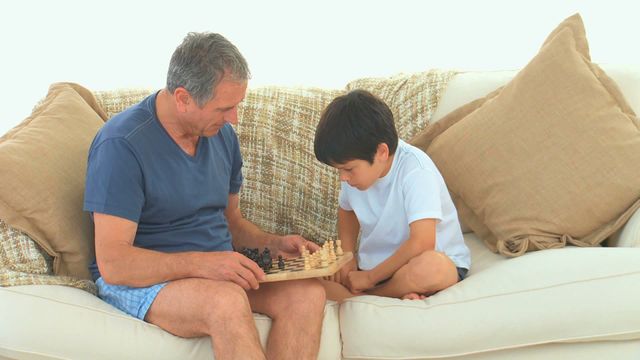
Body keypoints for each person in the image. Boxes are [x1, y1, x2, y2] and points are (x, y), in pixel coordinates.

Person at [84, 32, 326, 360]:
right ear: (183, 98)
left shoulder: (221, 136)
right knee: (224, 301)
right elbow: (114, 263)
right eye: (224, 108)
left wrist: (272, 243)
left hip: (215, 271)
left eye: (236, 106)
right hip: (143, 280)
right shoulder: (122, 145)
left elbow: (232, 224)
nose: (234, 119)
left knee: (306, 294)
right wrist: (204, 265)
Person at [313, 89, 471, 301]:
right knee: (311, 282)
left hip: (427, 261)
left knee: (431, 268)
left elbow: (422, 243)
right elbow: (346, 211)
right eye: (339, 170)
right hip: (377, 268)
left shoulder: (416, 171)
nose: (343, 177)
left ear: (381, 152)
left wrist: (368, 279)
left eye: (348, 169)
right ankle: (396, 291)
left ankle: (369, 297)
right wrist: (348, 256)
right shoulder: (353, 175)